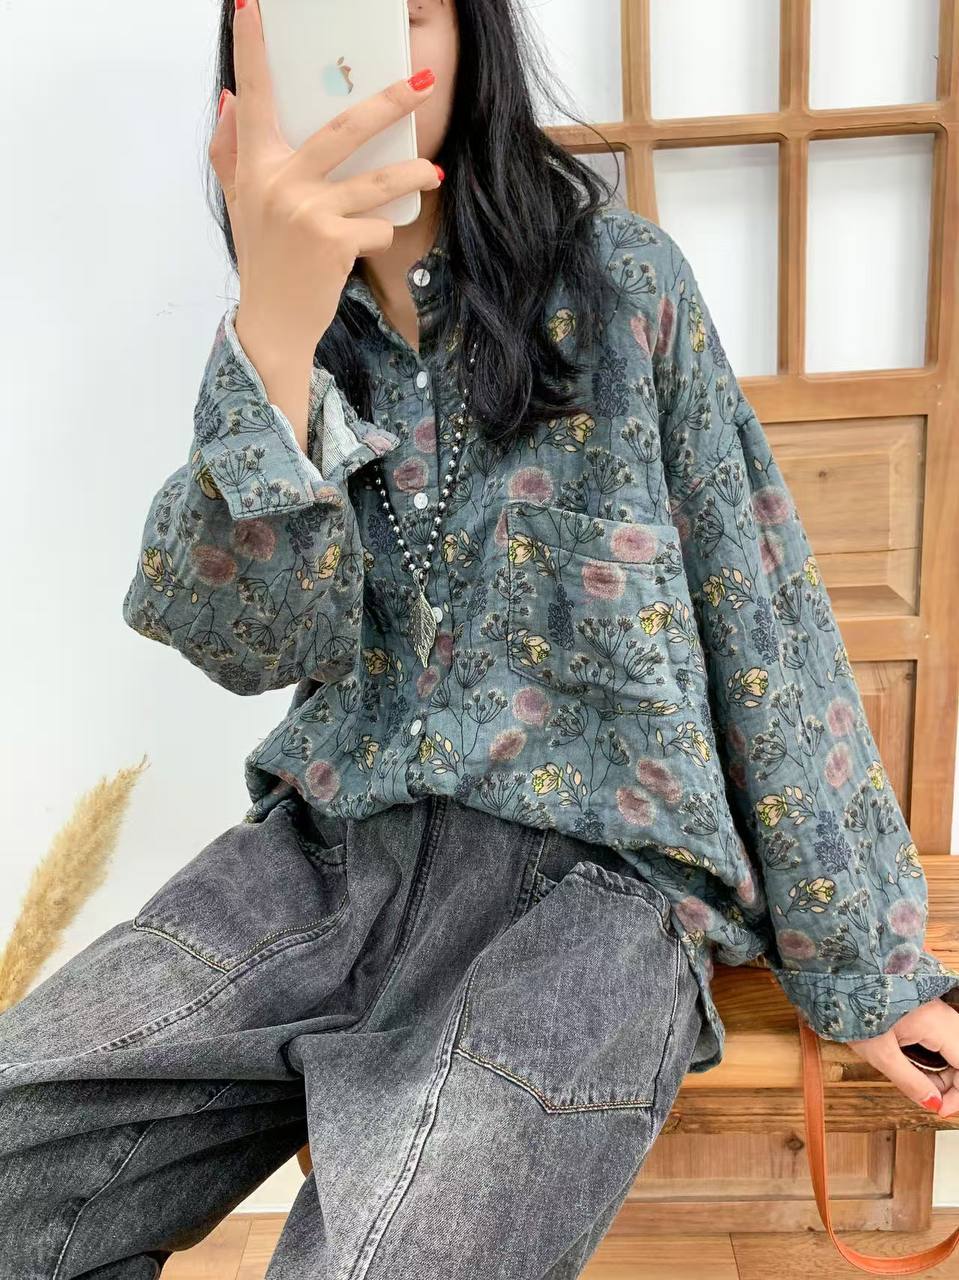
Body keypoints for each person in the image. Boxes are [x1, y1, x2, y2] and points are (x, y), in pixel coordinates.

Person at [2, 0, 958, 1276]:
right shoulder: (288, 337)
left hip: (594, 892)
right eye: (307, 20)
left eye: (401, 13)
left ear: (470, 40)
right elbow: (243, 639)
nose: (359, 60)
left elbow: (761, 614)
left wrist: (872, 966)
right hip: (323, 862)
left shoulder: (622, 283)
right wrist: (270, 333)